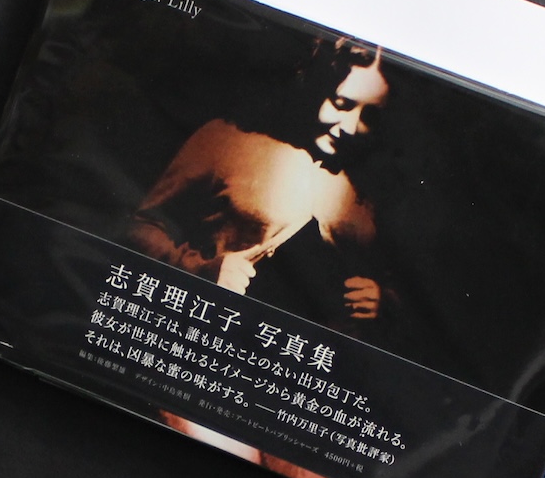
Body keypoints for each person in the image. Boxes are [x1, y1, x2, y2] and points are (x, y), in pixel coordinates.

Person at [128, 36, 390, 323]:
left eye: (369, 115)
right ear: (319, 85)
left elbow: (386, 272)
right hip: (202, 321)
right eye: (342, 104)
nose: (351, 127)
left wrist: (381, 300)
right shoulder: (226, 139)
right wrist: (200, 269)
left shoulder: (366, 188)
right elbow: (138, 229)